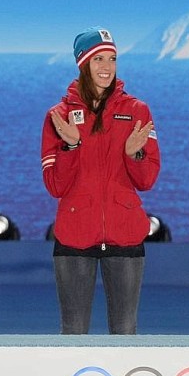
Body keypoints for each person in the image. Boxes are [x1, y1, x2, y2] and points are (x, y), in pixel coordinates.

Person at [40, 27, 160, 334]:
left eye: (112, 58)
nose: (107, 67)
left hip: (125, 234)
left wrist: (134, 154)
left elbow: (147, 180)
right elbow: (55, 186)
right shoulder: (59, 116)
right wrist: (70, 146)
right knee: (74, 332)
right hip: (74, 236)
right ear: (83, 64)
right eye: (98, 59)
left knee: (125, 331)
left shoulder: (137, 111)